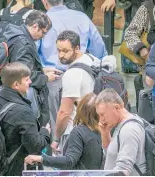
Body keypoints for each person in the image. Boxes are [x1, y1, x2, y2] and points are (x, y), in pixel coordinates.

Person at [38, 0, 106, 147]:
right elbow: (100, 51)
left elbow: (33, 54)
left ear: (44, 2)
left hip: (53, 80)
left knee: (59, 125)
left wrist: (41, 70)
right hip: (84, 77)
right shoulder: (82, 17)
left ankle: (58, 155)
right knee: (85, 124)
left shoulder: (41, 22)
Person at [0, 62, 50, 176]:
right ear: (16, 85)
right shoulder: (23, 112)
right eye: (27, 79)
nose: (30, 82)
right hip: (16, 169)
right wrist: (45, 132)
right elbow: (35, 147)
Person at [0, 10, 55, 127]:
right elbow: (23, 75)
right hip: (20, 95)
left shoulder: (16, 33)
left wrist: (41, 69)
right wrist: (45, 78)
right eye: (43, 33)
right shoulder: (23, 44)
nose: (43, 37)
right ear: (35, 27)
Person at [51, 30, 101, 154]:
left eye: (65, 51)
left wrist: (56, 138)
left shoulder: (72, 74)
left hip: (74, 132)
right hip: (95, 126)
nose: (61, 55)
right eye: (59, 50)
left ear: (77, 48)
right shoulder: (92, 59)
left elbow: (64, 113)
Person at [24, 93, 103, 170]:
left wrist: (41, 158)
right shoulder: (101, 132)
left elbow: (69, 161)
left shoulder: (79, 132)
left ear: (80, 109)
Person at [96, 89, 146, 176]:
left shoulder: (129, 129)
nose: (101, 119)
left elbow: (123, 170)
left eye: (102, 114)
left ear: (117, 108)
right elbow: (112, 155)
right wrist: (105, 133)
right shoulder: (122, 124)